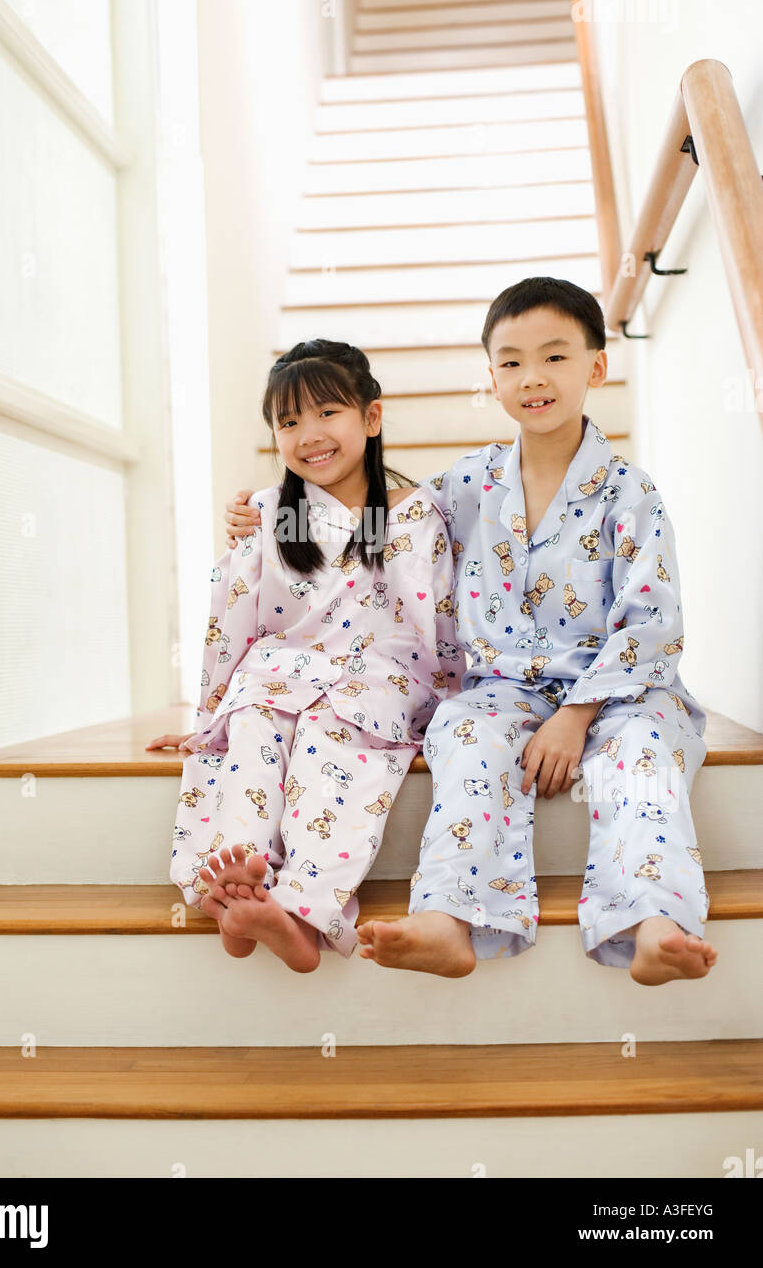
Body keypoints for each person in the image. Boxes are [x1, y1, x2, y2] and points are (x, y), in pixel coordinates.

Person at [221, 278, 717, 986]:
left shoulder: (629, 492)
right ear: (491, 378)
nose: (532, 378)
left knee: (641, 753)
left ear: (596, 369)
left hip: (625, 693)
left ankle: (654, 922)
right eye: (511, 362)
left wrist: (577, 718)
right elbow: (379, 519)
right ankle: (449, 919)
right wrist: (268, 515)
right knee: (461, 730)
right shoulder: (470, 482)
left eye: (554, 357)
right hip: (505, 687)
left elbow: (653, 624)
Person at [148, 338, 461, 972]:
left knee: (332, 738)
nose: (308, 435)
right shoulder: (269, 513)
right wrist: (210, 710)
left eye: (326, 413)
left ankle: (303, 911)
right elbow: (233, 613)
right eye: (288, 422)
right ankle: (235, 886)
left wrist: (449, 705)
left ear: (371, 419)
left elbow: (436, 621)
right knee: (252, 727)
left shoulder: (410, 512)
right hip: (280, 669)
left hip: (374, 679)